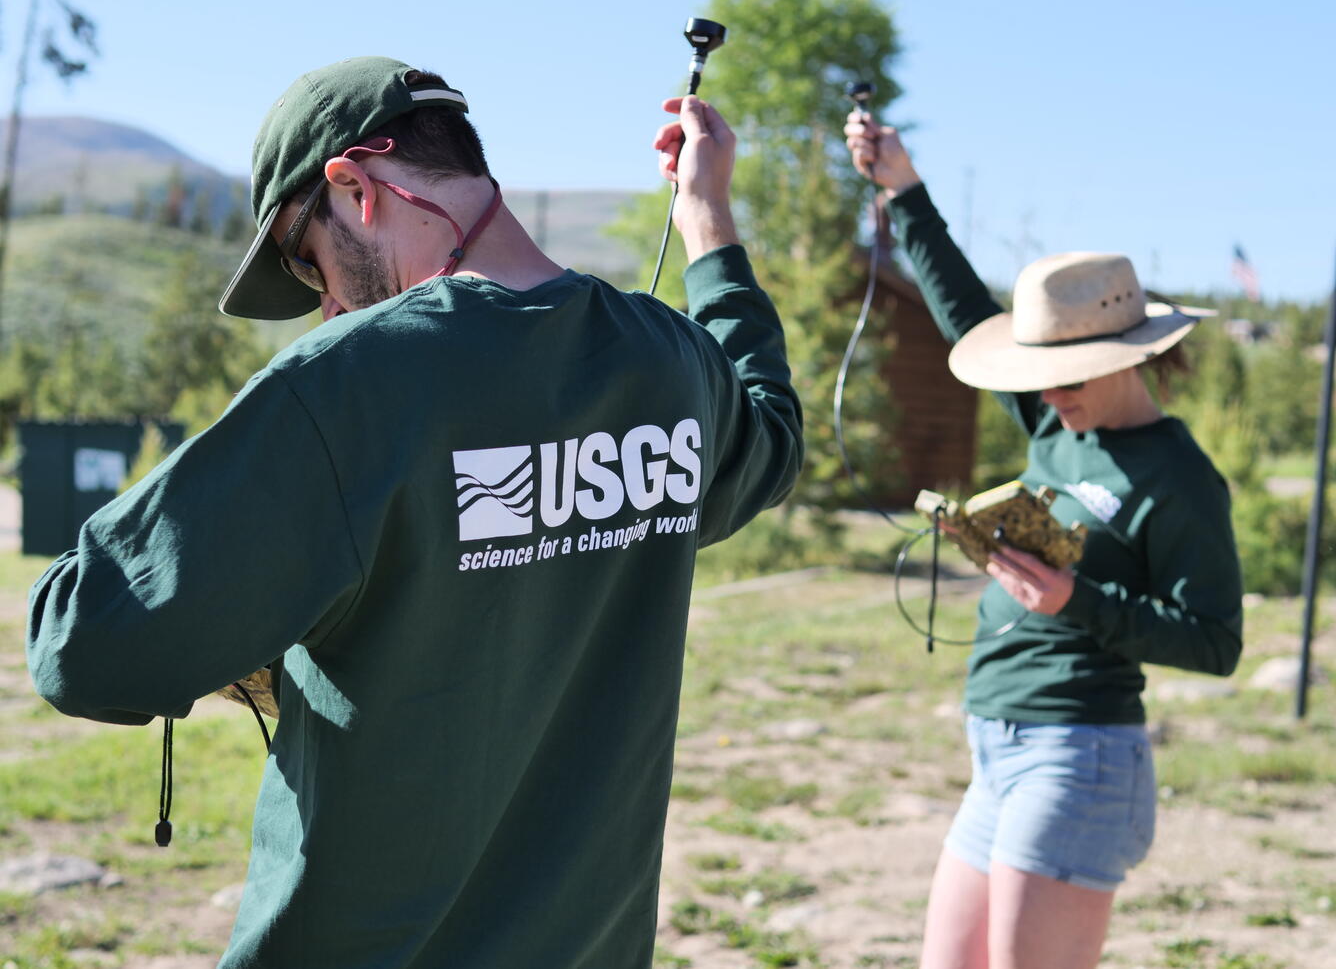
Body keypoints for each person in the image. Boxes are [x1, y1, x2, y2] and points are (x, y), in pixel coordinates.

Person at [26, 56, 803, 968]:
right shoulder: (669, 360)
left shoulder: (347, 385)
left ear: (353, 188)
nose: (325, 302)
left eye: (303, 258)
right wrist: (708, 221)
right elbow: (772, 438)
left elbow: (80, 646)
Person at [845, 114, 1242, 969]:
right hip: (995, 747)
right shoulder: (1058, 422)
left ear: (1124, 356)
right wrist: (904, 190)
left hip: (1080, 754)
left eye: (1063, 379)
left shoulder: (1182, 480)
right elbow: (959, 310)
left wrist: (1076, 600)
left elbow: (1217, 642)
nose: (1048, 398)